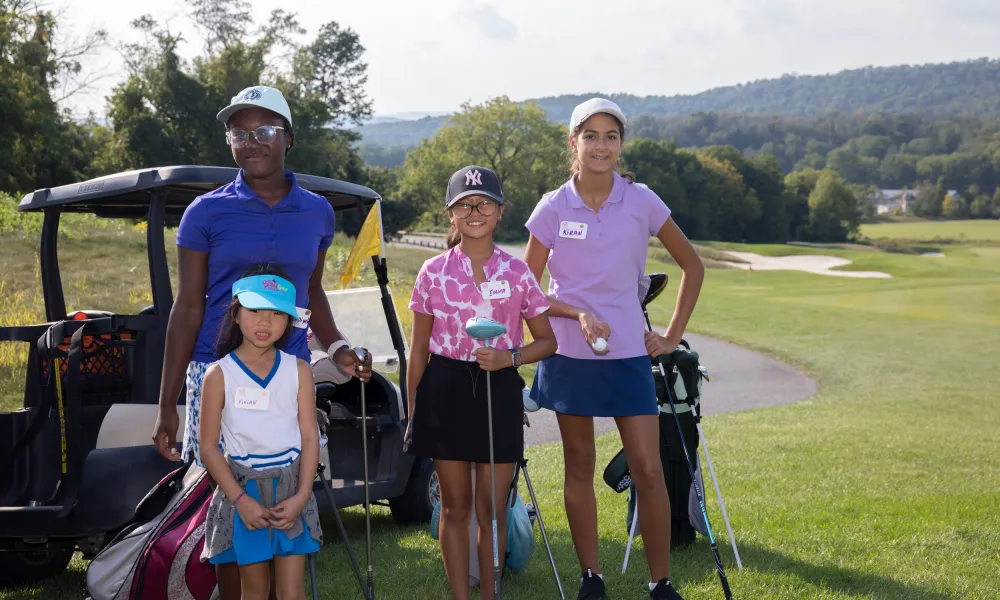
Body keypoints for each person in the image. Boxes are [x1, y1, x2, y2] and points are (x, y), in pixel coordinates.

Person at [150, 85, 371, 599]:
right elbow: (187, 309)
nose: (251, 141)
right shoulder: (204, 213)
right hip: (217, 374)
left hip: (286, 377)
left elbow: (311, 293)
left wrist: (336, 347)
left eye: (264, 130)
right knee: (225, 518)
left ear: (288, 139)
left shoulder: (317, 213)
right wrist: (168, 405)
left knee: (284, 499)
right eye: (239, 132)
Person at [523, 98, 705, 600]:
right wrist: (575, 314)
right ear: (573, 142)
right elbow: (528, 290)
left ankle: (659, 580)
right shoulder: (553, 206)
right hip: (568, 356)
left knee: (647, 467)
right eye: (591, 136)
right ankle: (591, 577)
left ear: (621, 144)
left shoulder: (642, 200)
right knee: (578, 463)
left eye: (610, 136)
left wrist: (668, 337)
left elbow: (693, 265)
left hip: (627, 354)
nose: (601, 146)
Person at [404, 166, 557, 600]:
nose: (475, 211)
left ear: (500, 211)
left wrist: (511, 357)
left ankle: (490, 594)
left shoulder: (518, 273)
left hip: (499, 387)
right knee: (454, 507)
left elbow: (548, 341)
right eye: (464, 205)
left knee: (492, 510)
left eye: (484, 203)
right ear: (450, 214)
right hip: (445, 388)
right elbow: (418, 351)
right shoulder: (432, 272)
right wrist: (415, 409)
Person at [198, 264, 323, 600]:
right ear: (236, 313)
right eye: (254, 310)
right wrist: (241, 502)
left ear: (289, 321)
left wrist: (301, 496)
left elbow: (310, 436)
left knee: (291, 592)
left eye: (276, 313)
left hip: (291, 488)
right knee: (253, 591)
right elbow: (208, 446)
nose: (265, 322)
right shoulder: (218, 374)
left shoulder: (298, 371)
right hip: (243, 491)